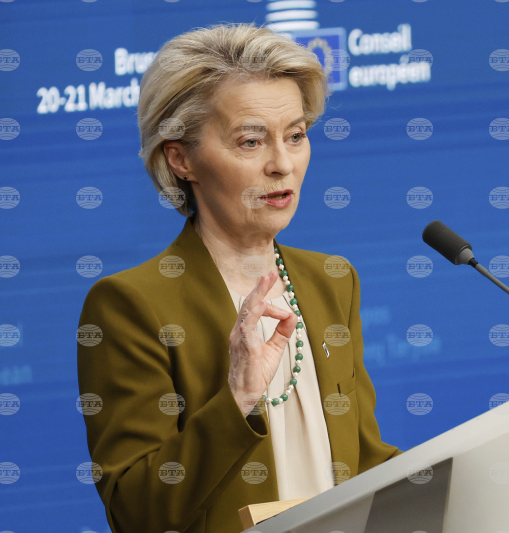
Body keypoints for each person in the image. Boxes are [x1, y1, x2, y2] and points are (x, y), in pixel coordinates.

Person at [76, 22, 403, 533]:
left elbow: (364, 460)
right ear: (181, 158)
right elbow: (136, 510)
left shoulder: (332, 281)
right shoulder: (130, 305)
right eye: (251, 141)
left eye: (295, 136)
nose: (282, 164)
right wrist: (237, 399)